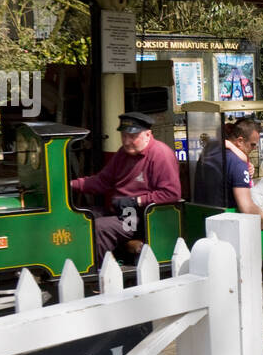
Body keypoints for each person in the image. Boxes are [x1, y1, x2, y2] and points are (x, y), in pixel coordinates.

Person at [71, 111, 181, 262]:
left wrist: (137, 201)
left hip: (139, 218)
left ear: (148, 135)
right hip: (120, 212)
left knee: (100, 228)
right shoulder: (123, 154)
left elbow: (171, 193)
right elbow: (102, 181)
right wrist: (70, 185)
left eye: (133, 136)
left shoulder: (160, 154)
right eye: (124, 136)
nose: (127, 141)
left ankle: (97, 273)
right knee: (80, 216)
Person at [197, 116, 263, 234]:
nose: (255, 148)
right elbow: (247, 208)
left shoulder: (208, 151)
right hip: (232, 213)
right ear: (240, 141)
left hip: (207, 211)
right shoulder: (237, 163)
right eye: (252, 144)